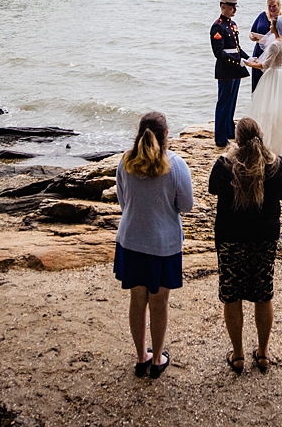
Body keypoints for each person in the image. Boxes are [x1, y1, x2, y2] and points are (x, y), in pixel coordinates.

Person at [208, 118, 282, 374]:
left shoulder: (224, 165)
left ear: (237, 139)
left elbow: (213, 190)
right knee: (263, 294)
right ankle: (264, 353)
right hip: (264, 238)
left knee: (232, 295)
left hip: (230, 237)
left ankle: (238, 354)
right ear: (261, 136)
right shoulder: (277, 165)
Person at [114, 112, 195, 379]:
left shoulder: (125, 161)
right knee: (159, 303)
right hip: (163, 244)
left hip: (131, 240)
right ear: (166, 134)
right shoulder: (176, 165)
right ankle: (157, 358)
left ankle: (141, 358)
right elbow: (186, 205)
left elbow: (123, 202)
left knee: (137, 301)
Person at [242, 15, 282, 158]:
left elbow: (265, 65)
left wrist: (249, 63)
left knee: (267, 109)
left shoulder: (275, 44)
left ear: (276, 27)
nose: (269, 27)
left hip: (273, 76)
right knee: (280, 110)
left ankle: (269, 143)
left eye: (271, 25)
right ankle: (279, 143)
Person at [211, 0, 249, 148]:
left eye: (235, 7)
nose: (234, 10)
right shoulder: (217, 26)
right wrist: (236, 60)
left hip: (236, 68)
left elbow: (237, 48)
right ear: (222, 7)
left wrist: (248, 58)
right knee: (224, 103)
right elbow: (218, 52)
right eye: (231, 7)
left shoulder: (232, 25)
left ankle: (229, 130)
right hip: (226, 68)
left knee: (232, 102)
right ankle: (220, 137)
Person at [248, 0, 282, 91]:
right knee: (258, 83)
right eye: (269, 6)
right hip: (260, 52)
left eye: (274, 6)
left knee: (278, 85)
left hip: (280, 54)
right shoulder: (262, 16)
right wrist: (253, 37)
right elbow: (251, 32)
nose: (271, 9)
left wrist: (275, 44)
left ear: (279, 5)